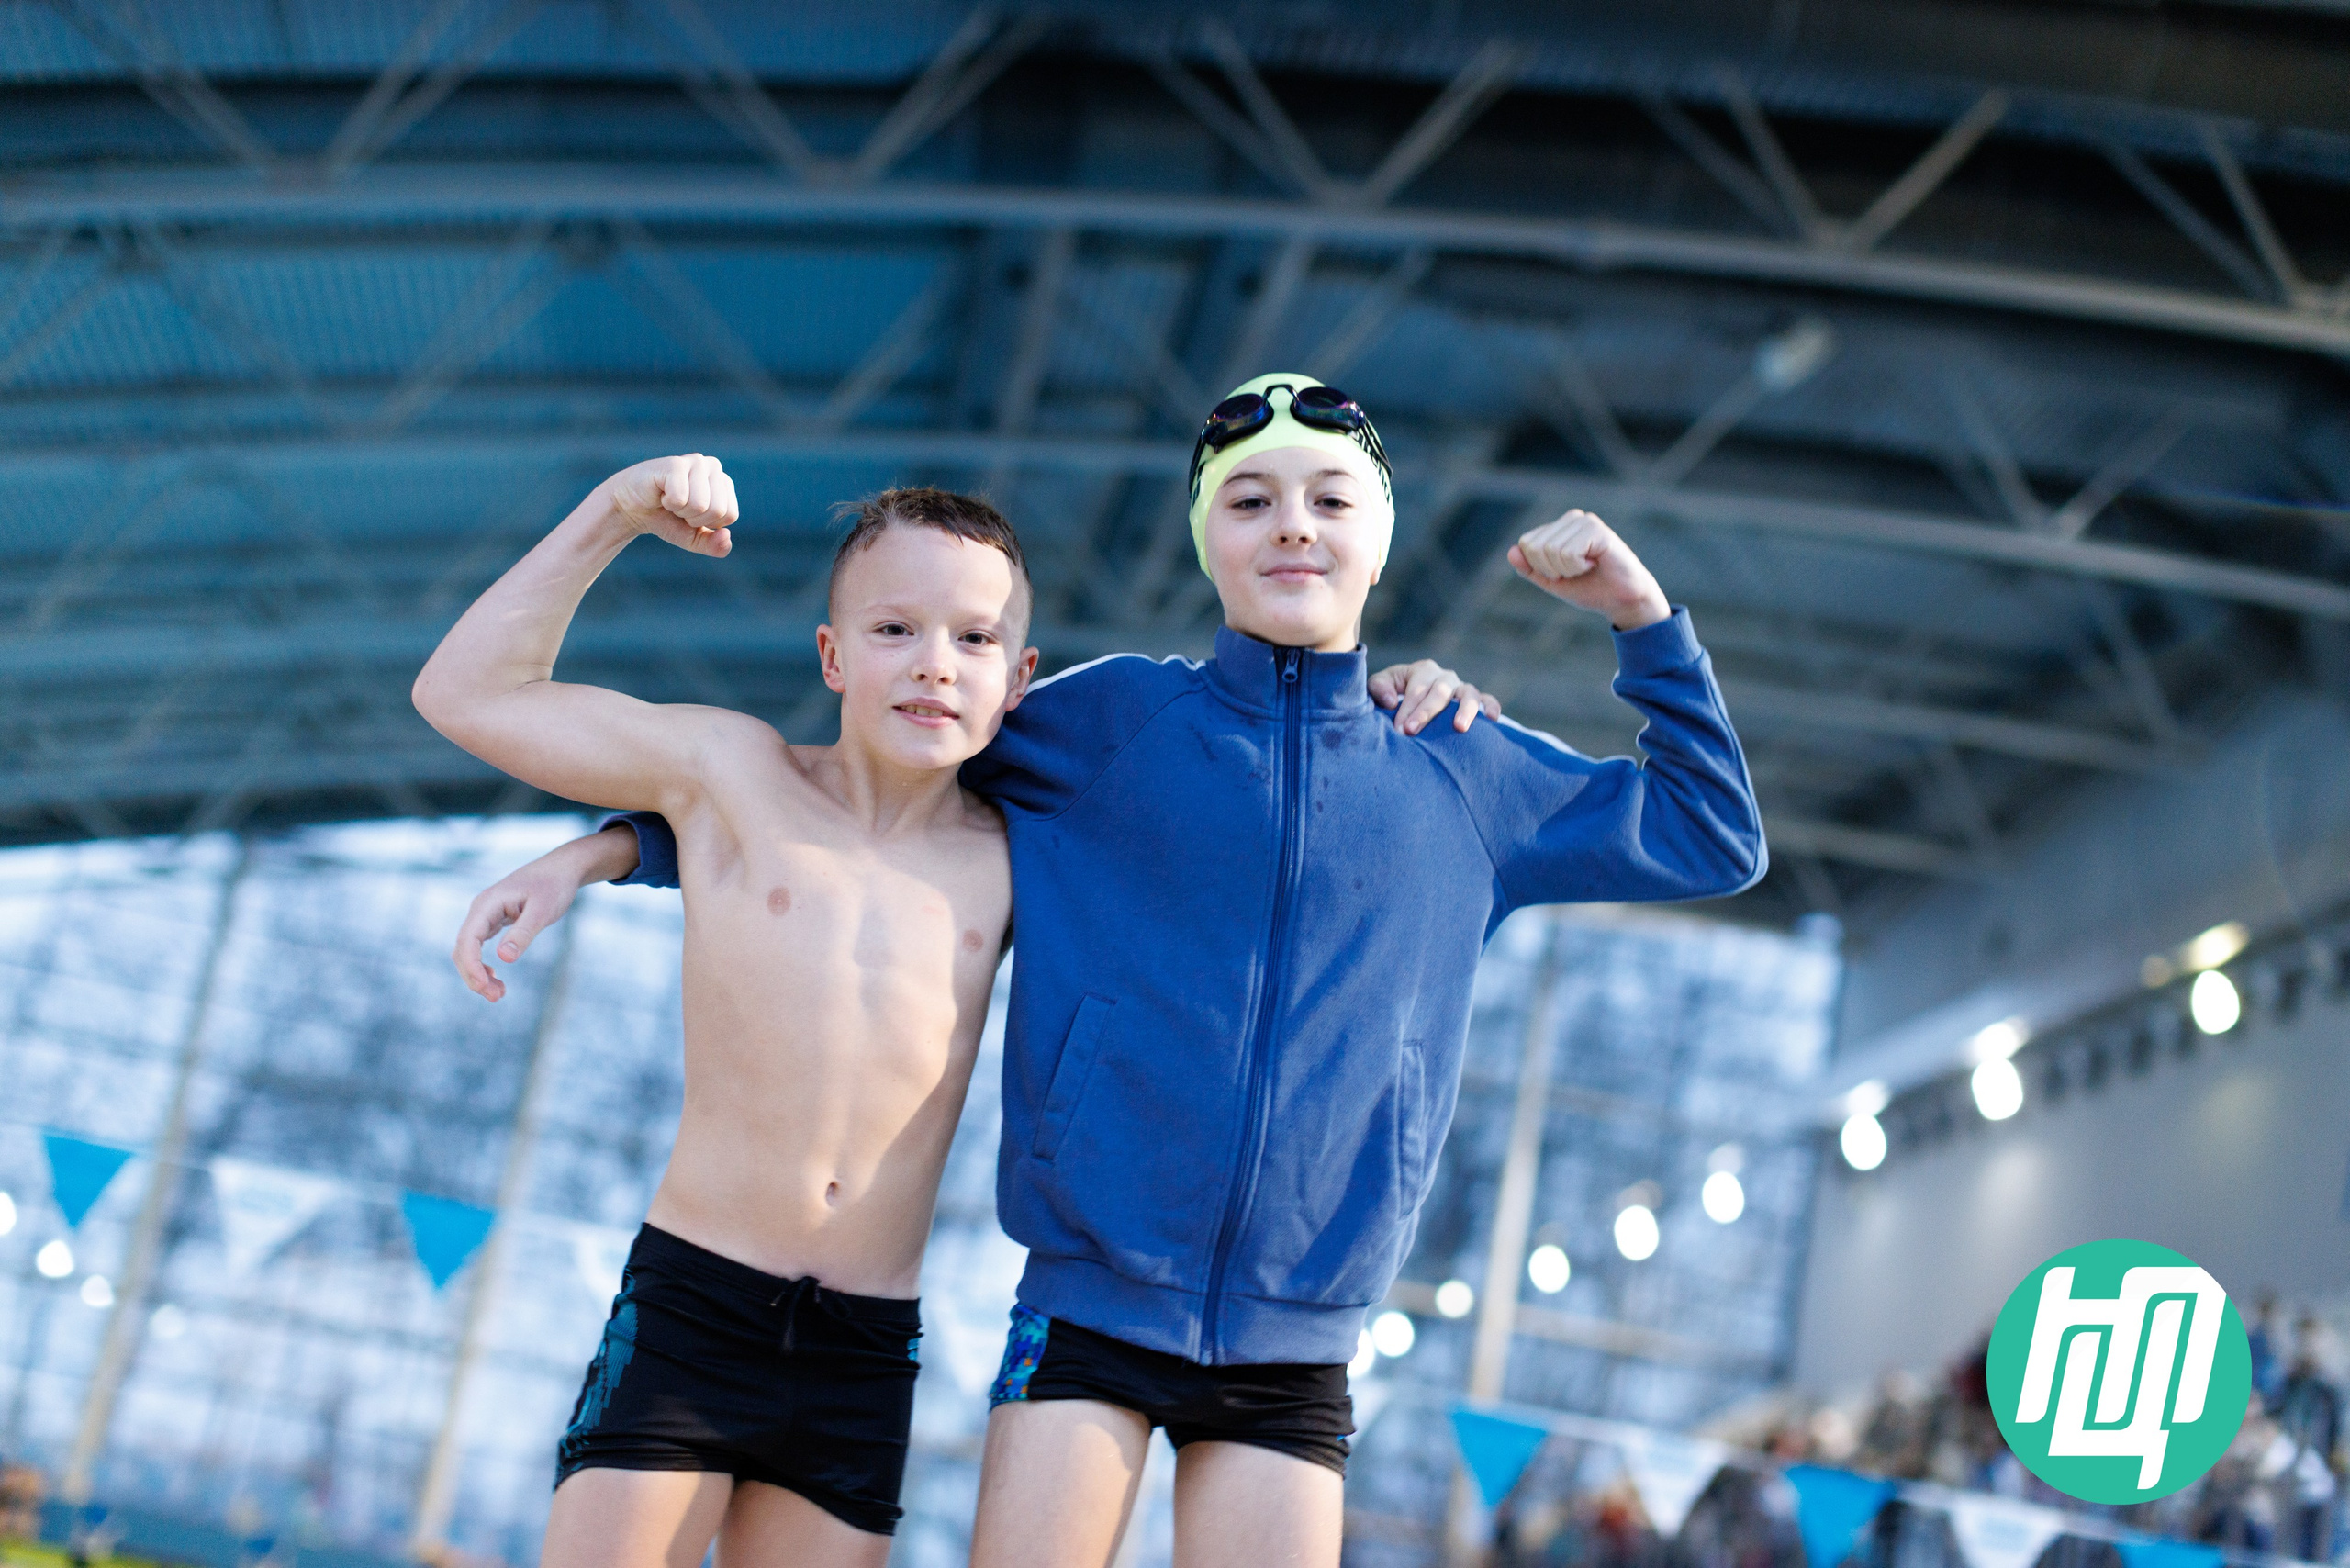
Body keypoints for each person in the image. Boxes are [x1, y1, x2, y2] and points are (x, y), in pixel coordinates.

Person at [506, 374, 1764, 1567]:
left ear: (1380, 544)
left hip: (1299, 1338)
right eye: (1250, 500)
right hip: (1086, 1313)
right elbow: (868, 799)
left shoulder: (1461, 765)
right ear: (1207, 536)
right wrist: (625, 846)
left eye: (1331, 501)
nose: (1292, 529)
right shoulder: (1102, 726)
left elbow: (1713, 834)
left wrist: (1641, 620)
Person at [428, 458, 1495, 1566]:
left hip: (864, 1351)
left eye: (974, 639)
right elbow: (465, 695)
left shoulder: (1025, 849)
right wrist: (614, 516)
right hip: (694, 1308)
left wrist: (1357, 686)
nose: (936, 664)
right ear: (833, 655)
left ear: (1020, 680)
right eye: (895, 629)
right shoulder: (729, 774)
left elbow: (1236, 853)